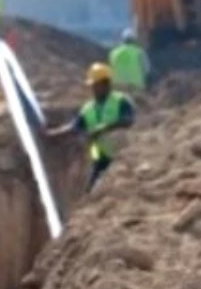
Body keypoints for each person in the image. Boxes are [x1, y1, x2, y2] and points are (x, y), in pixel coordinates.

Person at [45, 62, 136, 193]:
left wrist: (104, 128)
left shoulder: (121, 101)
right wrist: (52, 134)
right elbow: (74, 127)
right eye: (92, 86)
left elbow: (128, 120)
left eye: (96, 85)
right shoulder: (88, 108)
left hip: (120, 153)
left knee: (117, 134)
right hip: (97, 155)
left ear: (106, 84)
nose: (93, 89)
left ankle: (120, 170)